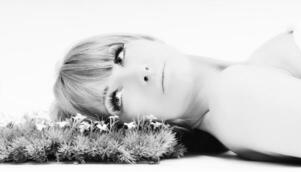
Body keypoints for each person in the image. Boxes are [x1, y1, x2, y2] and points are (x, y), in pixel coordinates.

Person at [52, 30, 301, 162]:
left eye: (120, 56)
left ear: (141, 39)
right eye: (116, 98)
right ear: (140, 127)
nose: (141, 73)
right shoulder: (235, 97)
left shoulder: (252, 68)